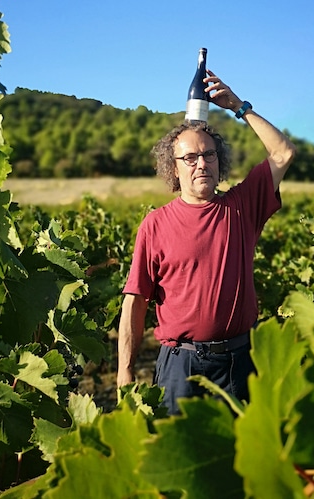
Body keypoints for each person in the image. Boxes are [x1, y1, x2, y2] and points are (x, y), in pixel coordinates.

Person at [117, 69, 295, 415]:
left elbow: (283, 153)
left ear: (219, 161)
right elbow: (135, 302)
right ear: (174, 168)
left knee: (238, 461)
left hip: (238, 363)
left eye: (209, 155)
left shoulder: (242, 206)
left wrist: (239, 107)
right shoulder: (155, 225)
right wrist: (125, 371)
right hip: (179, 367)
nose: (201, 164)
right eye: (190, 158)